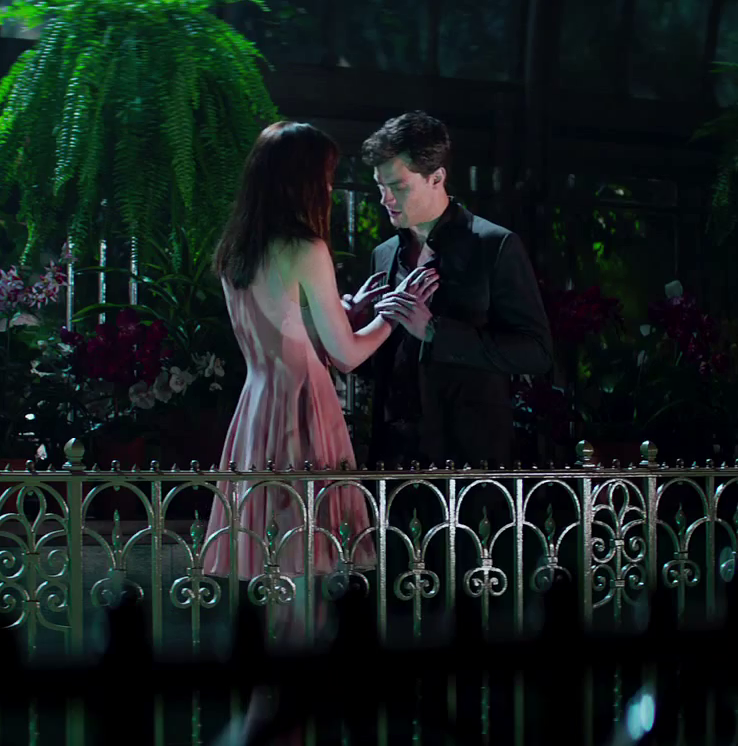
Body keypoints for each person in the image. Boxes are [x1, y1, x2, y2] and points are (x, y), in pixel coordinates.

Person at [202, 120, 438, 634]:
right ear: (302, 181)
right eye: (325, 178)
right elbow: (346, 355)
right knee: (306, 552)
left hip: (257, 407)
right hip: (303, 405)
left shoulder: (235, 249)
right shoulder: (305, 248)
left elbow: (282, 326)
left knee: (270, 556)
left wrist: (347, 309)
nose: (329, 190)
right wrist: (394, 314)